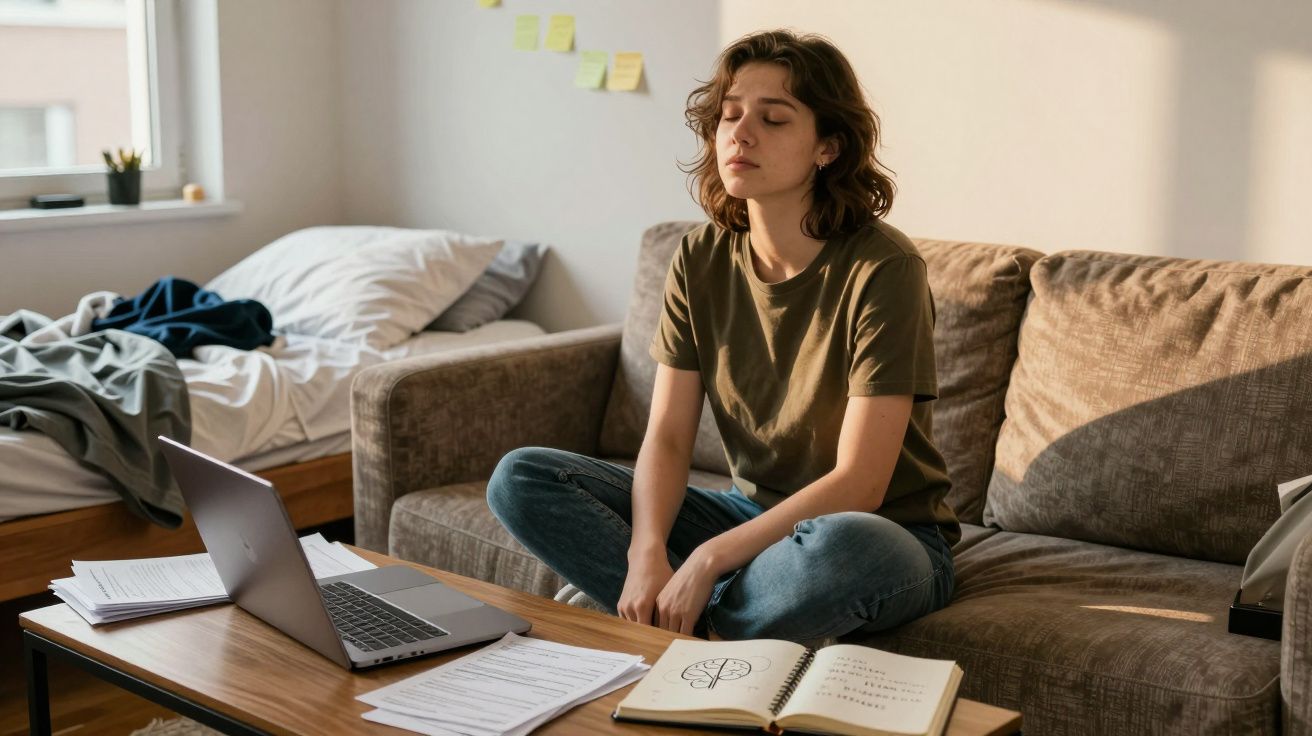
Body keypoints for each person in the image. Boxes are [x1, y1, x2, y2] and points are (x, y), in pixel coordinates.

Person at [487, 29, 958, 643]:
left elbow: (860, 484)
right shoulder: (699, 256)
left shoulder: (884, 269)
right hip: (748, 514)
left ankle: (671, 619)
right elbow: (669, 434)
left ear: (828, 147)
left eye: (774, 118)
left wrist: (710, 559)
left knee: (848, 548)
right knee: (522, 478)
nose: (741, 132)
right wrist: (644, 554)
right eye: (729, 115)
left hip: (881, 531)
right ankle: (705, 624)